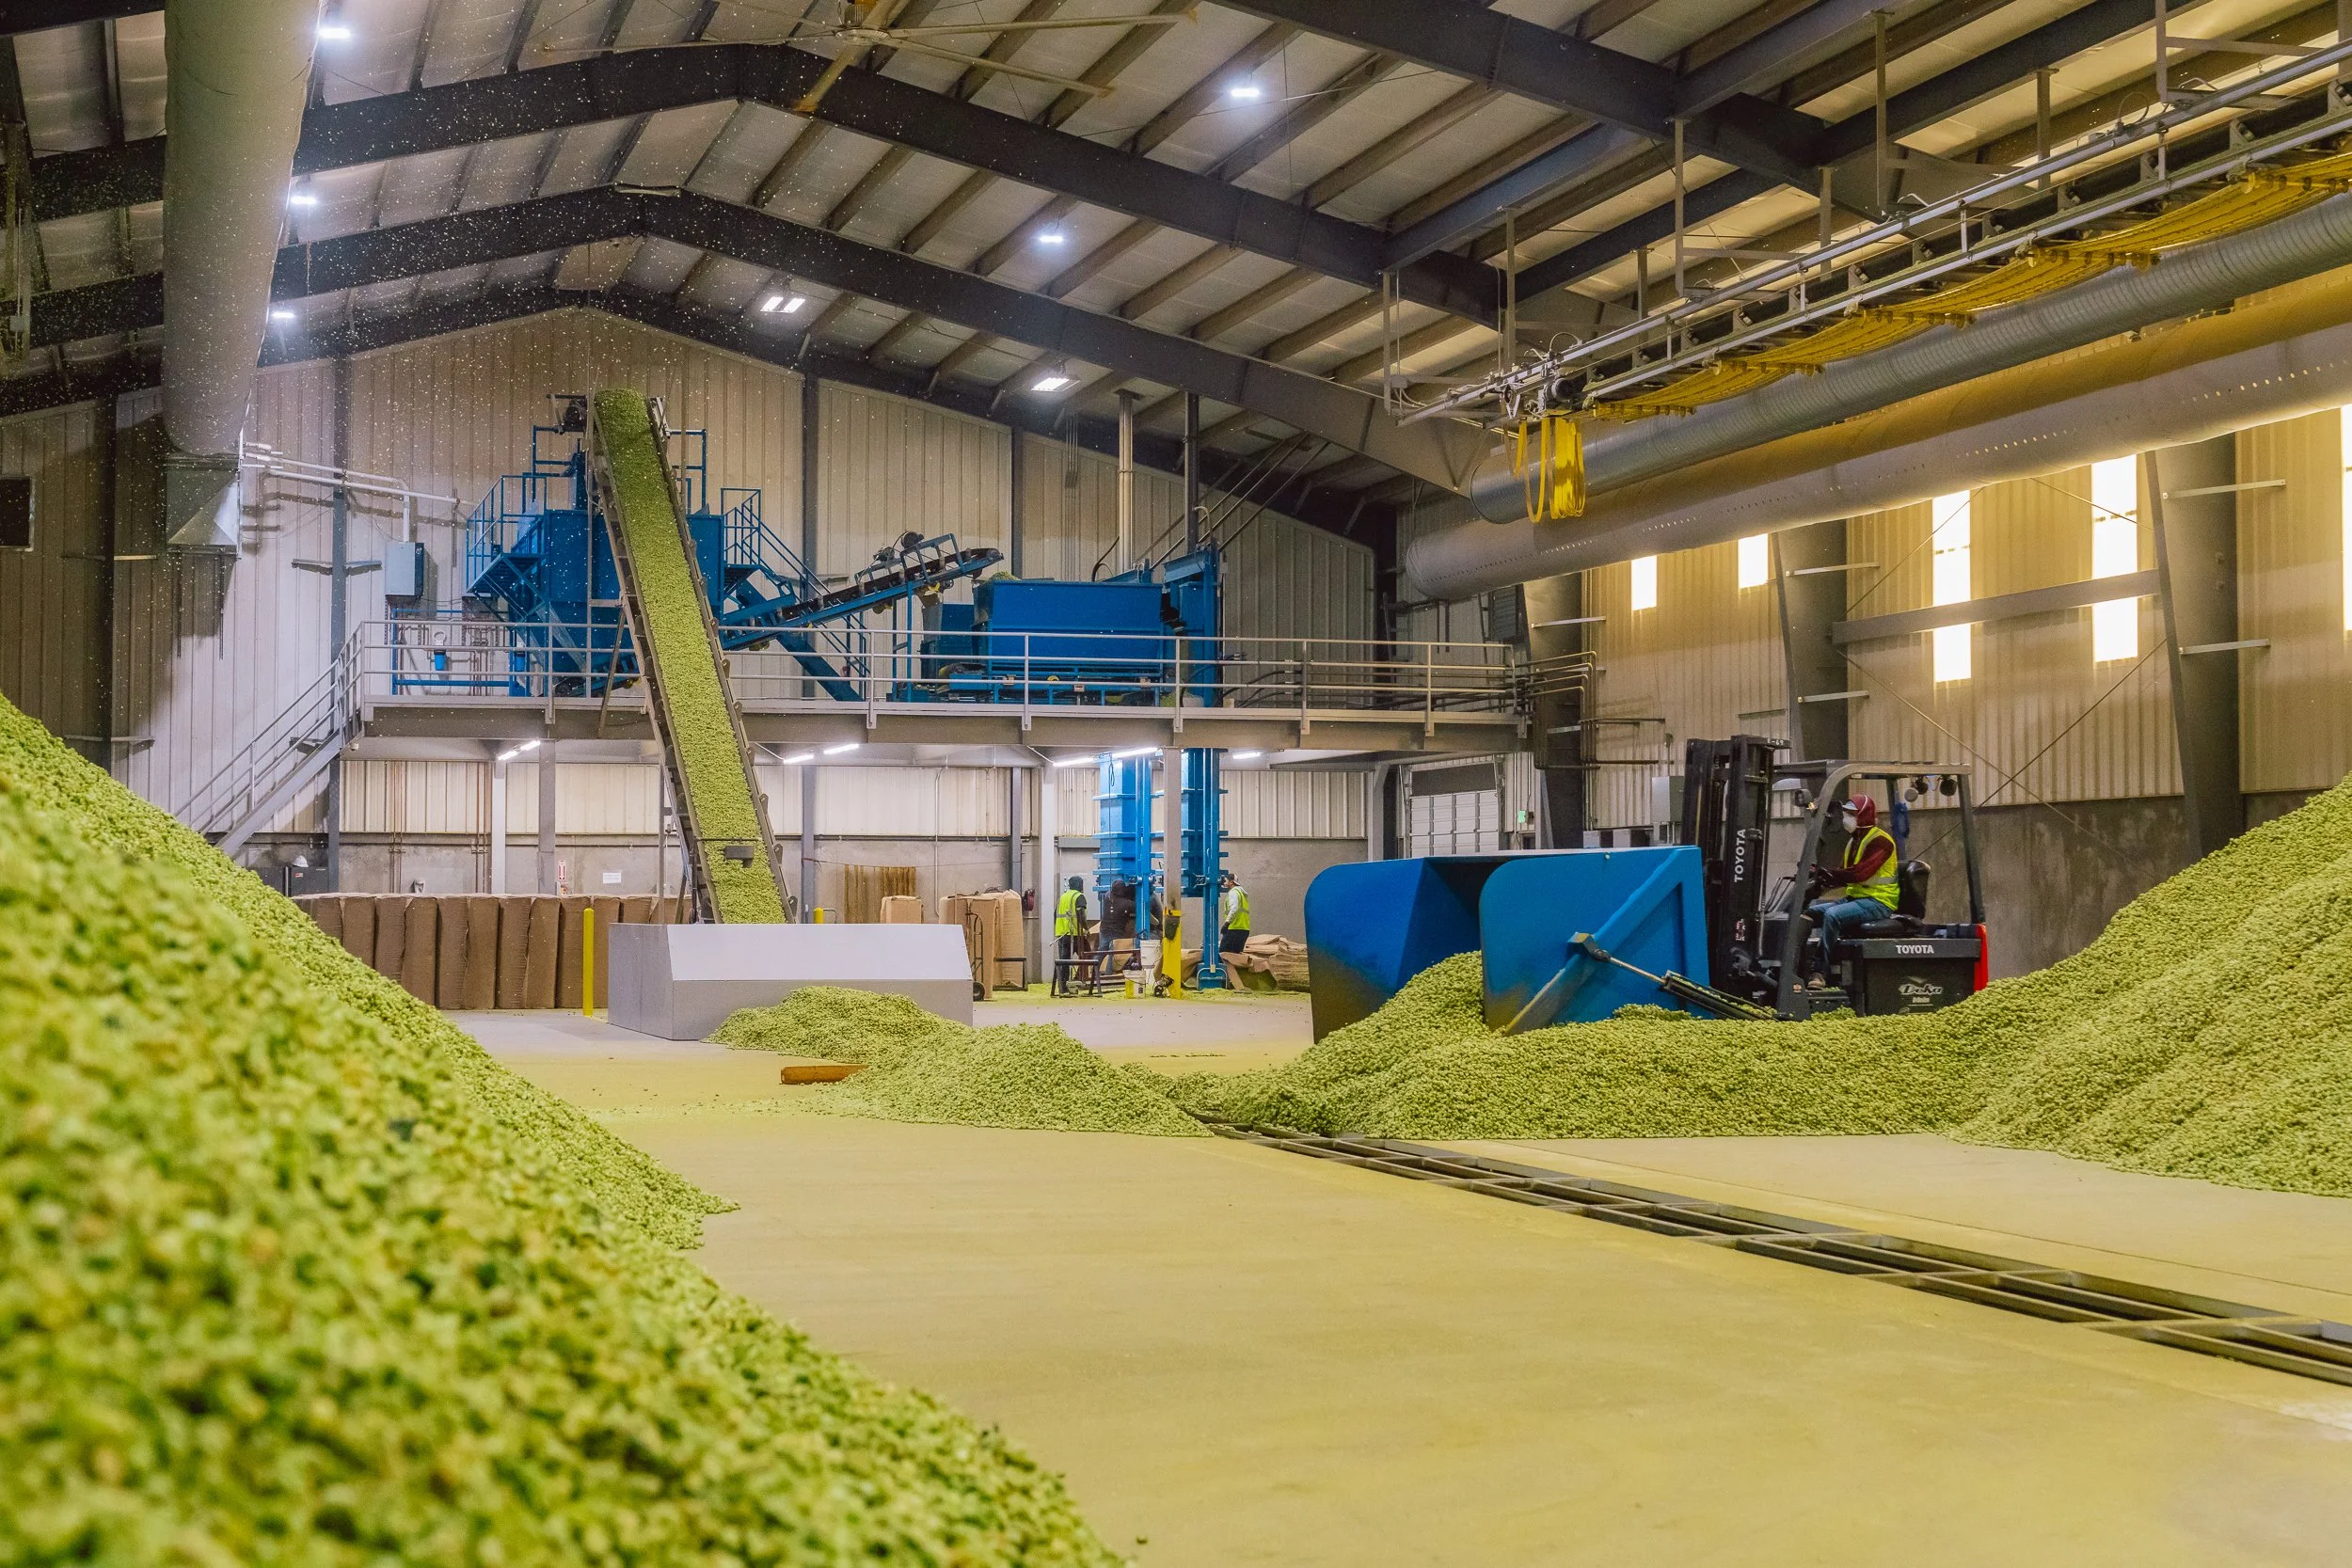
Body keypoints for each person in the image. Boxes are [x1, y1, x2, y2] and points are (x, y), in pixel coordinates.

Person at [1804, 795, 1899, 976]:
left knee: (1832, 915)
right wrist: (1819, 877)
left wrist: (1828, 872)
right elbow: (1842, 874)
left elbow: (1859, 873)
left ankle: (1820, 971)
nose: (1846, 818)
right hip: (1857, 899)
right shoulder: (1853, 842)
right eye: (1846, 813)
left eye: (1851, 814)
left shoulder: (1881, 842)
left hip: (1879, 902)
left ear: (1864, 815)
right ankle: (1797, 965)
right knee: (1810, 913)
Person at [1052, 875, 1087, 996]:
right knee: (1088, 957)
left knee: (1064, 962)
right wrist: (1086, 929)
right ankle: (1086, 981)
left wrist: (1059, 929)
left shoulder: (1062, 897)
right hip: (1075, 933)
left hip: (1061, 934)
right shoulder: (1079, 896)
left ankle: (1063, 988)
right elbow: (1081, 915)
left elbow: (1055, 914)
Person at [1217, 871, 1251, 956]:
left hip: (1234, 929)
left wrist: (1227, 923)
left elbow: (1234, 908)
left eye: (1225, 881)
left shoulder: (1233, 892)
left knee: (1223, 955)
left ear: (1231, 882)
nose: (1224, 883)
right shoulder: (1241, 893)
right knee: (1235, 956)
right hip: (1244, 929)